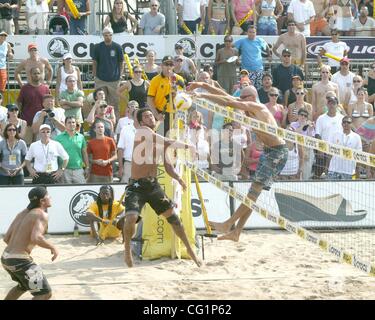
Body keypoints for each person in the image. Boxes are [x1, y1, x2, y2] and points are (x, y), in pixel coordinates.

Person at [188, 82, 288, 242]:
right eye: (240, 97)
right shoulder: (248, 107)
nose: (239, 99)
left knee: (253, 193)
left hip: (277, 152)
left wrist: (201, 95)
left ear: (252, 97)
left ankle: (228, 224)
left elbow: (228, 101)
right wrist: (201, 84)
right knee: (252, 196)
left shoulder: (258, 107)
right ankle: (236, 232)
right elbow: (224, 95)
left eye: (243, 97)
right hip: (268, 151)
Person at [122, 107, 201, 267]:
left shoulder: (158, 140)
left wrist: (179, 179)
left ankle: (190, 251)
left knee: (174, 219)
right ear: (141, 121)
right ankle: (126, 250)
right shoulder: (142, 132)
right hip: (136, 185)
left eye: (151, 115)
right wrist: (188, 146)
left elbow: (168, 167)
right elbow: (166, 141)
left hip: (152, 186)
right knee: (131, 217)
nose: (150, 117)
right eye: (146, 116)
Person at [1, 186, 58, 300]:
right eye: (48, 196)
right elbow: (36, 237)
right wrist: (53, 247)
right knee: (44, 293)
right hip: (20, 261)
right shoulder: (42, 214)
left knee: (23, 286)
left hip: (6, 258)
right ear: (42, 201)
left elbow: (6, 238)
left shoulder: (22, 213)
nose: (50, 198)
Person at [147, 55, 185, 135]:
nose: (168, 67)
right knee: (160, 139)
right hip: (161, 113)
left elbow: (183, 97)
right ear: (161, 66)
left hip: (176, 113)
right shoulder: (155, 80)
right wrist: (156, 114)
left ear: (174, 66)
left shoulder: (179, 79)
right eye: (166, 64)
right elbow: (149, 99)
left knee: (174, 139)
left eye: (171, 65)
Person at [92, 26, 124, 116]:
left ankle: (115, 123)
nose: (107, 37)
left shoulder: (117, 47)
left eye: (109, 35)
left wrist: (120, 75)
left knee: (114, 104)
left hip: (114, 80)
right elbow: (94, 62)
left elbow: (121, 62)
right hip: (100, 79)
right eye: (105, 35)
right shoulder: (98, 47)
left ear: (112, 35)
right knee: (100, 103)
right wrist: (95, 75)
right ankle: (99, 121)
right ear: (103, 35)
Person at [17, 67, 50, 145]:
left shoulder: (45, 89)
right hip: (27, 124)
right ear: (30, 75)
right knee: (27, 147)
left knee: (40, 147)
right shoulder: (25, 88)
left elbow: (49, 104)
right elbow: (19, 103)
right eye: (34, 73)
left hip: (41, 124)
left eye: (38, 73)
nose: (36, 75)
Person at [314, 95, 344, 179]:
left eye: (334, 103)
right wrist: (319, 149)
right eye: (330, 103)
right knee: (319, 175)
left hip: (338, 151)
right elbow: (317, 134)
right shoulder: (321, 118)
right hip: (324, 151)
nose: (331, 105)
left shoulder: (342, 118)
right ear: (327, 105)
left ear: (337, 105)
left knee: (336, 175)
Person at [234, 25, 272, 90]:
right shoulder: (242, 41)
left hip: (258, 69)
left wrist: (269, 55)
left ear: (256, 33)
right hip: (246, 70)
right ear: (247, 33)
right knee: (246, 89)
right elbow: (233, 47)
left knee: (259, 89)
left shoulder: (260, 40)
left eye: (253, 32)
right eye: (250, 32)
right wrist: (236, 58)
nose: (252, 34)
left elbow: (267, 47)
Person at [55, 116, 89, 184]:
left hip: (78, 169)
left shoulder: (81, 137)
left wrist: (87, 167)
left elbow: (84, 153)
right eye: (69, 122)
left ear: (76, 124)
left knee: (81, 191)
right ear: (65, 124)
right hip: (64, 170)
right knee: (66, 192)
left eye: (73, 122)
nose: (71, 124)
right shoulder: (58, 138)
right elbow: (55, 154)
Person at [327, 115, 362, 180]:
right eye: (344, 122)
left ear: (351, 124)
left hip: (349, 171)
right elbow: (329, 152)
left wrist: (357, 172)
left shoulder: (357, 137)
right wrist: (327, 168)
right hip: (334, 169)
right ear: (341, 124)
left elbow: (359, 156)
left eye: (348, 122)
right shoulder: (335, 134)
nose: (346, 124)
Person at [117, 103, 137, 183]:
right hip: (129, 163)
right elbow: (120, 149)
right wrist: (121, 167)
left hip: (143, 164)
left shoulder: (146, 130)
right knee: (125, 186)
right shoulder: (125, 129)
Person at [0, 31, 13, 95]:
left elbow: (10, 53)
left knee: (2, 88)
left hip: (3, 68)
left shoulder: (7, 44)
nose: (3, 37)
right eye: (2, 35)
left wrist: (10, 55)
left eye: (5, 36)